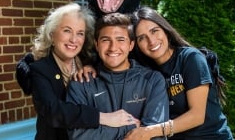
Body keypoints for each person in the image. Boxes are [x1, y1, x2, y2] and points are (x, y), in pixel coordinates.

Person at [29, 3, 135, 140]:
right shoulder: (40, 70)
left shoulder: (90, 63)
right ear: (52, 34)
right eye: (67, 30)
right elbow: (54, 112)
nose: (74, 39)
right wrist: (103, 117)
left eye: (80, 33)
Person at [124, 6, 233, 140]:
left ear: (165, 31)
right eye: (142, 38)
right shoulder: (146, 73)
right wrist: (90, 67)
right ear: (136, 45)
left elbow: (197, 116)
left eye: (154, 31)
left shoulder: (190, 58)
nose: (151, 41)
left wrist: (149, 131)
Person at [66, 12, 169, 140]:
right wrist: (130, 128)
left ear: (131, 45)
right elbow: (78, 136)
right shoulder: (81, 83)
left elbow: (155, 134)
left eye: (120, 40)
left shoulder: (152, 80)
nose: (113, 47)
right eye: (105, 40)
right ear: (97, 45)